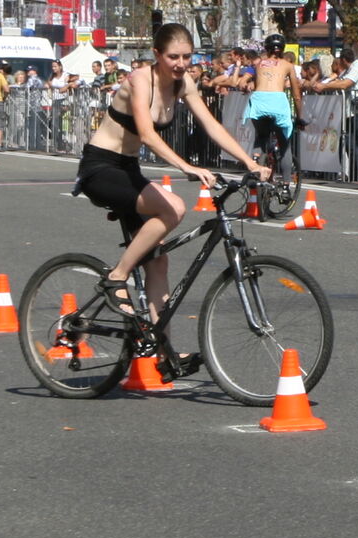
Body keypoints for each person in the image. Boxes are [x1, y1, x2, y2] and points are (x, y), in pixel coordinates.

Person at [75, 23, 273, 335]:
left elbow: (212, 126)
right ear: (157, 54)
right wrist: (187, 166)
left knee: (158, 261)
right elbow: (146, 134)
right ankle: (117, 276)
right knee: (173, 208)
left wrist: (249, 162)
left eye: (187, 57)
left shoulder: (183, 84)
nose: (181, 64)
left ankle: (161, 350)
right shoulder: (141, 80)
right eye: (173, 57)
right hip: (100, 168)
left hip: (128, 169)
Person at [244, 40, 302, 175]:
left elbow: (254, 83)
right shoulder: (287, 65)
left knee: (261, 136)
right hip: (277, 100)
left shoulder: (258, 64)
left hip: (258, 100)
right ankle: (287, 185)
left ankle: (255, 160)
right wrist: (300, 117)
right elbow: (296, 95)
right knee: (284, 143)